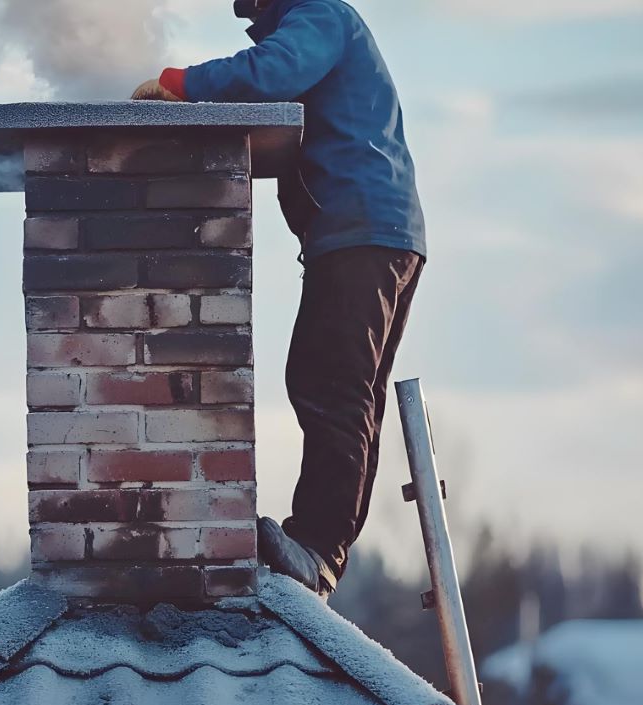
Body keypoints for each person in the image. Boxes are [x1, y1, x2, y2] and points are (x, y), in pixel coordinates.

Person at [133, 0, 425, 598]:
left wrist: (178, 83)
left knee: (331, 386)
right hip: (368, 232)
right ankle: (321, 550)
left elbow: (272, 71)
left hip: (360, 231)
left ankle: (318, 549)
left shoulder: (321, 14)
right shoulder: (315, 21)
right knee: (338, 387)